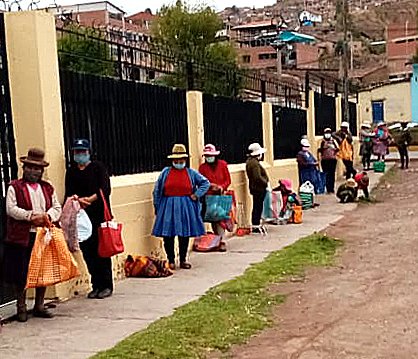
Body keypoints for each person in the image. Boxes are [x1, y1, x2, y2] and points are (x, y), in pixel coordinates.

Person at [3, 148, 62, 322]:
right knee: (20, 272)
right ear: (24, 168)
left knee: (42, 271)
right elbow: (11, 208)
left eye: (37, 169)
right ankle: (21, 306)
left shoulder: (47, 188)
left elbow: (56, 207)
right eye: (30, 167)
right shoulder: (15, 187)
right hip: (21, 236)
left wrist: (47, 217)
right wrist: (30, 216)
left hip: (42, 235)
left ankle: (39, 305)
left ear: (41, 171)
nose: (33, 171)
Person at [65, 139, 113, 299]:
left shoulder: (98, 168)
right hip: (80, 216)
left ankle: (106, 285)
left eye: (82, 152)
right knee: (88, 252)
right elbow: (68, 192)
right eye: (76, 152)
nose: (79, 155)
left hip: (97, 214)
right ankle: (96, 284)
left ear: (88, 152)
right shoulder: (71, 171)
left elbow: (105, 189)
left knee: (102, 251)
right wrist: (78, 200)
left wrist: (90, 199)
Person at [152, 144, 210, 270]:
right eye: (176, 161)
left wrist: (196, 194)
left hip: (186, 206)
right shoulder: (165, 173)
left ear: (185, 160)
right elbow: (157, 190)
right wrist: (157, 206)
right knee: (168, 234)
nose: (179, 163)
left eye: (181, 161)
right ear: (172, 161)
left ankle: (183, 259)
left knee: (184, 233)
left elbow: (205, 183)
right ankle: (171, 259)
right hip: (168, 206)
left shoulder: (191, 173)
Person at [198, 144, 231, 251]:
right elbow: (201, 182)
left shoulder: (223, 165)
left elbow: (228, 180)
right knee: (212, 219)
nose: (209, 157)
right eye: (207, 155)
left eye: (210, 155)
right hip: (208, 197)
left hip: (220, 196)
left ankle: (222, 241)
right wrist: (210, 186)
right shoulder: (202, 168)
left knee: (221, 219)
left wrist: (221, 187)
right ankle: (213, 241)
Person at [245, 143, 269, 234]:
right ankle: (256, 224)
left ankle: (256, 223)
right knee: (257, 206)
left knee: (257, 206)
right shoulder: (254, 163)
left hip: (255, 188)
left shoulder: (250, 162)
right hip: (258, 188)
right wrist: (265, 182)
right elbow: (257, 177)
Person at [318, 128, 339, 193]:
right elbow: (319, 150)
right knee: (326, 174)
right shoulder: (322, 141)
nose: (327, 134)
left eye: (329, 132)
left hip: (332, 160)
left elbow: (338, 148)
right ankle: (327, 188)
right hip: (324, 160)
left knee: (332, 174)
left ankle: (331, 188)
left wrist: (333, 149)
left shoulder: (333, 141)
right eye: (326, 132)